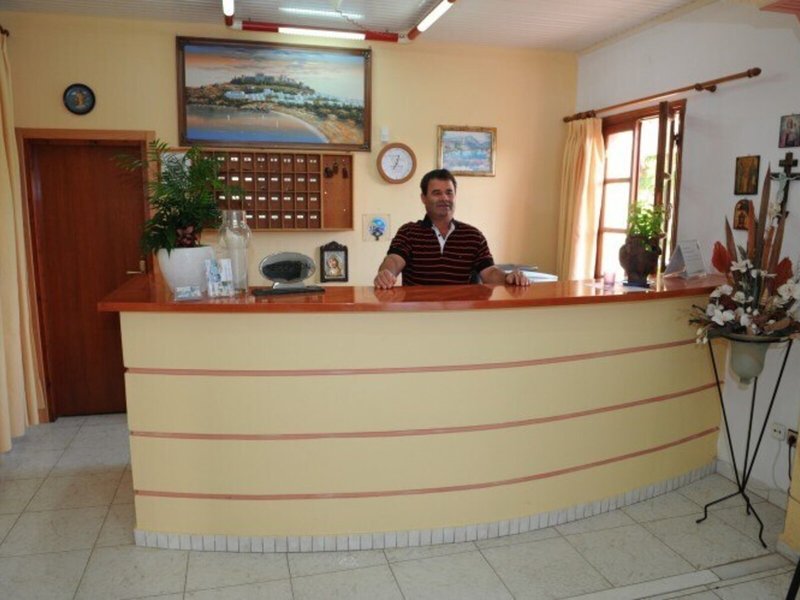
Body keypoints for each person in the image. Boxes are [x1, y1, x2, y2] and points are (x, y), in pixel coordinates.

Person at [373, 169, 530, 288]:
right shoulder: (408, 232)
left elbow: (489, 272)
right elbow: (394, 260)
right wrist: (386, 273)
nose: (444, 198)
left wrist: (508, 278)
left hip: (462, 317)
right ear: (423, 198)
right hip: (419, 316)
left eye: (449, 192)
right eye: (436, 193)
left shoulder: (473, 236)